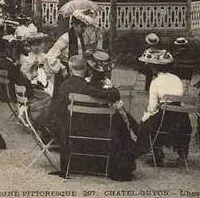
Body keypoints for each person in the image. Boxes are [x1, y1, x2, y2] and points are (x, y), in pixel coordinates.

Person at [52, 55, 129, 180]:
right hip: (95, 131)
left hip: (71, 131)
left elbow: (57, 112)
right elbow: (114, 94)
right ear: (86, 69)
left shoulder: (63, 87)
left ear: (70, 68)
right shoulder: (88, 88)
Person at [132, 50, 192, 166]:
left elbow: (152, 107)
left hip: (165, 117)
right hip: (182, 118)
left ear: (154, 68)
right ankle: (182, 155)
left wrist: (144, 118)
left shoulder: (156, 82)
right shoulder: (176, 79)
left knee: (147, 125)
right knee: (155, 122)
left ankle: (157, 153)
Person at [86, 50, 138, 180]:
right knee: (119, 120)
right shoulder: (108, 86)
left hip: (90, 122)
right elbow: (115, 96)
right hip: (106, 122)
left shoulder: (85, 83)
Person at [45, 10, 98, 110]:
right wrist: (62, 68)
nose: (84, 29)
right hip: (66, 72)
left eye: (85, 26)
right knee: (62, 99)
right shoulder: (65, 38)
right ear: (73, 25)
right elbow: (50, 56)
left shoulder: (80, 37)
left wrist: (85, 53)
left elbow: (77, 54)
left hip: (76, 72)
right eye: (81, 26)